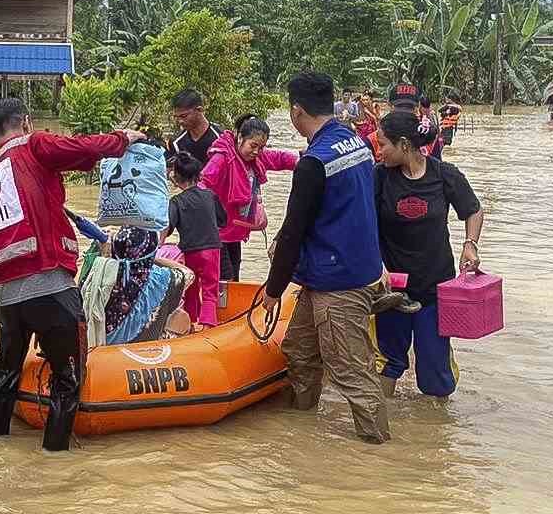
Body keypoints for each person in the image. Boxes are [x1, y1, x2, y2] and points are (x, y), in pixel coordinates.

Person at [0, 96, 146, 451]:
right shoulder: (32, 145)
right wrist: (122, 138)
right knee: (67, 380)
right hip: (51, 288)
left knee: (4, 375)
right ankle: (54, 459)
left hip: (6, 298)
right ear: (26, 122)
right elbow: (78, 147)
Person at [259, 71, 391, 444]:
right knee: (298, 351)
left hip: (340, 283)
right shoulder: (358, 144)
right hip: (337, 271)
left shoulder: (313, 163)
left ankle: (380, 455)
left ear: (296, 111)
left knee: (351, 373)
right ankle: (302, 432)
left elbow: (293, 232)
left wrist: (273, 289)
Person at [374, 108, 484, 399]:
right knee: (387, 362)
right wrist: (375, 264)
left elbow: (473, 210)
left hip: (435, 289)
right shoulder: (380, 178)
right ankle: (388, 424)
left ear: (404, 145)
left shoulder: (444, 175)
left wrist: (470, 244)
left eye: (383, 143)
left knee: (435, 370)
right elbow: (363, 225)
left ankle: (437, 434)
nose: (379, 150)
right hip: (391, 291)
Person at [201, 114, 299, 295]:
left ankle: (226, 314)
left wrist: (303, 161)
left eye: (261, 147)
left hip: (234, 233)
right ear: (239, 138)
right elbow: (203, 184)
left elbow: (279, 158)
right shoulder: (223, 158)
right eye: (253, 146)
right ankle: (214, 317)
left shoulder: (256, 158)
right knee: (225, 281)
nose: (257, 151)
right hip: (215, 233)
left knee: (234, 277)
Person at [162, 152, 226, 327]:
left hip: (190, 251)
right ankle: (207, 325)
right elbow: (223, 220)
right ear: (198, 176)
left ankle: (190, 322)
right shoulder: (210, 195)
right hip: (211, 249)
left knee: (191, 288)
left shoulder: (175, 201)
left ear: (177, 178)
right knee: (210, 290)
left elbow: (168, 228)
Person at [167, 88, 220, 168]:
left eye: (184, 116)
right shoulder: (177, 144)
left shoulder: (221, 139)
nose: (180, 121)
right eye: (176, 117)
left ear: (199, 110)